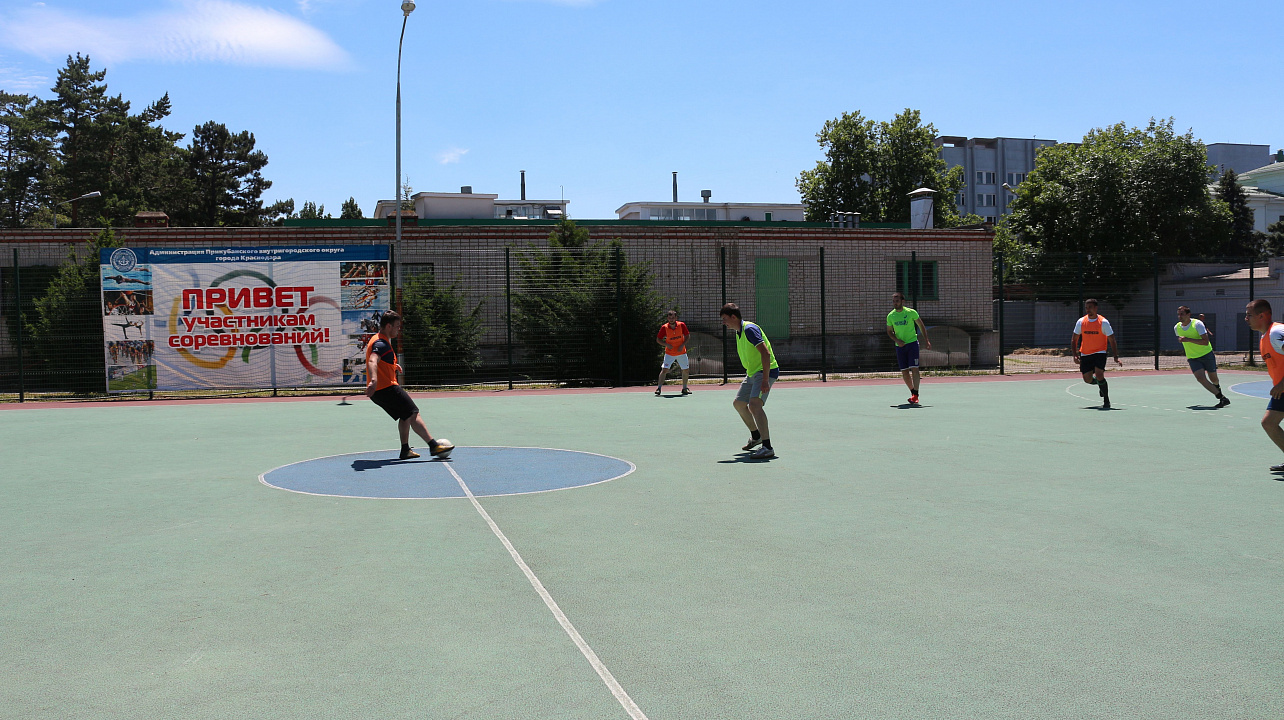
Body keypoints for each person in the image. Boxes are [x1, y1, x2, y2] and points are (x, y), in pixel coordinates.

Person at [365, 310, 453, 460]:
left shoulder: (378, 339)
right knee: (413, 412)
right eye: (397, 326)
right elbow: (373, 360)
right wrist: (374, 380)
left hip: (380, 391)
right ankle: (434, 446)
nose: (398, 330)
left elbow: (381, 361)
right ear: (388, 326)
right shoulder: (381, 343)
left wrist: (393, 366)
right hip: (386, 388)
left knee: (405, 416)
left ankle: (405, 450)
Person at [719, 302, 779, 459]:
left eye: (725, 319)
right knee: (739, 404)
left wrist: (765, 379)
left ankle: (767, 447)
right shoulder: (739, 332)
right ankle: (756, 436)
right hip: (753, 372)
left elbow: (765, 354)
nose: (723, 323)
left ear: (733, 317)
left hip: (765, 371)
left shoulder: (749, 329)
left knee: (754, 405)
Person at [1245, 299, 1284, 472]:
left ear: (1261, 315)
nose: (1246, 318)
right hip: (1281, 390)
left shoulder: (1277, 332)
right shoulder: (1264, 336)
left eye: (1249, 315)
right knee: (1269, 423)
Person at [1072, 299, 1123, 409]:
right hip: (1085, 354)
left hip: (1099, 352)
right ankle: (1100, 385)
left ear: (1096, 308)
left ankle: (1106, 400)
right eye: (1086, 307)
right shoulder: (1081, 322)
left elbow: (1112, 340)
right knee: (1087, 379)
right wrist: (1075, 355)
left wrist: (1115, 357)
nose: (1088, 310)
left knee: (1100, 374)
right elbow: (1074, 339)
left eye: (1090, 307)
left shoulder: (1103, 322)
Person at [1175, 306, 1229, 407]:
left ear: (1188, 315)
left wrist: (1187, 339)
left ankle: (1217, 387)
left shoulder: (1197, 324)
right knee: (1200, 378)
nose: (1179, 316)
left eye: (1182, 314)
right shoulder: (1177, 328)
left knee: (1213, 379)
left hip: (1206, 354)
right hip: (1193, 357)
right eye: (1178, 314)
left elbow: (1205, 342)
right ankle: (1222, 397)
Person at [885, 292, 932, 405]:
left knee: (914, 368)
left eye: (897, 301)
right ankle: (912, 392)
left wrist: (927, 340)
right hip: (900, 347)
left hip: (912, 344)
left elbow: (921, 325)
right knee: (905, 372)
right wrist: (897, 341)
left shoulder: (911, 313)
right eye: (893, 301)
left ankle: (916, 394)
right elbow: (889, 332)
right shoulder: (891, 316)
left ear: (902, 301)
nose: (895, 303)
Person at [655, 309, 692, 396]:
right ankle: (659, 388)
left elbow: (687, 336)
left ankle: (685, 388)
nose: (671, 319)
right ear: (667, 318)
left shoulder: (681, 325)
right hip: (669, 353)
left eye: (673, 317)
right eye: (669, 317)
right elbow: (658, 339)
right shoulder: (664, 327)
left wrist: (682, 345)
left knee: (685, 370)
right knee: (664, 370)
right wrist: (666, 344)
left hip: (681, 352)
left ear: (676, 318)